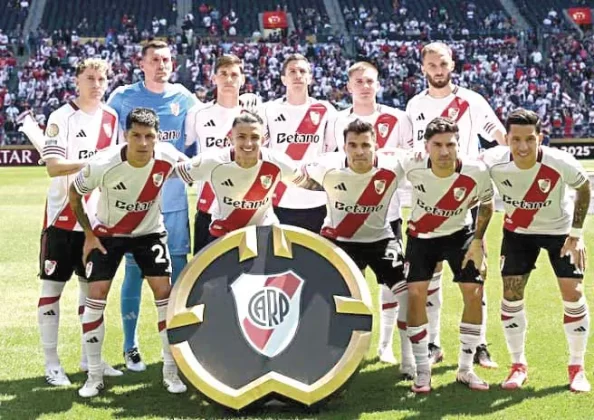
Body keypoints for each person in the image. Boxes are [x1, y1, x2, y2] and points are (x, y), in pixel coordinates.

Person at [69, 108, 187, 398]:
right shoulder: (103, 163)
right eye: (136, 135)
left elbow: (195, 170)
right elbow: (74, 192)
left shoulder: (168, 155)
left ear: (157, 137)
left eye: (149, 136)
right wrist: (88, 234)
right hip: (109, 234)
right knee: (96, 294)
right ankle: (94, 376)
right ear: (126, 135)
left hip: (149, 232)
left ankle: (170, 372)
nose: (143, 143)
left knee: (165, 294)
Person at [406, 42, 505, 368]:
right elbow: (411, 146)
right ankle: (433, 344)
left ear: (452, 65)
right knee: (430, 275)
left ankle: (479, 345)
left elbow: (497, 133)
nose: (438, 70)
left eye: (443, 64)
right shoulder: (414, 105)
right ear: (423, 67)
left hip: (468, 195)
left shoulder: (472, 100)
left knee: (475, 271)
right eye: (432, 65)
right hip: (430, 198)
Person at [480, 108, 591, 393]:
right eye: (515, 139)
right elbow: (460, 165)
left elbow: (584, 187)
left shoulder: (559, 161)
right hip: (518, 234)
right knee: (511, 295)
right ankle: (518, 365)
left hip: (560, 234)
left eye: (530, 139)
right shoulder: (492, 161)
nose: (523, 147)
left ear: (540, 138)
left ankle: (577, 367)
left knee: (573, 294)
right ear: (506, 139)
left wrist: (576, 235)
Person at [107, 40, 199, 371]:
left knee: (179, 272)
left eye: (166, 60)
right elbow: (109, 144)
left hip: (173, 202)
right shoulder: (122, 97)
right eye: (155, 60)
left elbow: (204, 135)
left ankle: (179, 345)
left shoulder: (185, 98)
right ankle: (130, 346)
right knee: (134, 271)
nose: (162, 65)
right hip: (137, 204)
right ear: (142, 64)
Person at [299, 119, 414, 378]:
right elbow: (296, 175)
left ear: (376, 145)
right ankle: (334, 358)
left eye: (365, 145)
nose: (359, 151)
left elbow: (426, 161)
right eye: (353, 145)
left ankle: (408, 362)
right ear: (344, 147)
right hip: (341, 242)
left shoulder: (394, 164)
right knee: (329, 299)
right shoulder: (327, 166)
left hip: (380, 240)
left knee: (406, 295)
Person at [35, 58, 121, 386]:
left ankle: (90, 359)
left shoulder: (112, 118)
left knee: (92, 294)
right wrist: (92, 163)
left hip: (95, 221)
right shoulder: (61, 116)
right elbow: (53, 167)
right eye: (90, 78)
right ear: (77, 81)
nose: (96, 84)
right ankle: (52, 364)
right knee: (52, 290)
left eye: (101, 79)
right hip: (61, 218)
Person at [329, 61, 413, 365]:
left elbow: (410, 158)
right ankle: (350, 346)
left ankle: (386, 345)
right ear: (349, 86)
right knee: (348, 285)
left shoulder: (398, 118)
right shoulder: (336, 120)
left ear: (378, 84)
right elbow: (331, 162)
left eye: (370, 81)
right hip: (346, 218)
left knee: (391, 285)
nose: (365, 86)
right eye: (359, 81)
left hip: (387, 216)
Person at [403, 117, 494, 393]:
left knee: (474, 292)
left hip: (459, 235)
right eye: (437, 145)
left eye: (450, 145)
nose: (444, 151)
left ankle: (465, 369)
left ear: (458, 145)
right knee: (415, 294)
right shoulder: (411, 164)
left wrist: (477, 241)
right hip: (421, 237)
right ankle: (422, 370)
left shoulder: (476, 170)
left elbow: (487, 203)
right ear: (426, 146)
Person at [177, 112, 300, 237]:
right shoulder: (213, 161)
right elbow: (175, 171)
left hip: (264, 233)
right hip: (223, 234)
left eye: (254, 137)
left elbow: (305, 182)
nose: (248, 143)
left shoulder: (278, 161)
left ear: (263, 140)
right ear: (231, 139)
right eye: (241, 137)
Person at [263, 53, 337, 233]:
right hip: (278, 199)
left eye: (302, 71)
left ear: (310, 78)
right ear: (283, 79)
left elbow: (330, 149)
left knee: (314, 251)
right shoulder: (268, 110)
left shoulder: (325, 110)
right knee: (278, 251)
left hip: (315, 200)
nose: (297, 75)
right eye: (292, 71)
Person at [184, 54, 246, 254]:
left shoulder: (255, 114)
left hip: (244, 208)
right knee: (203, 269)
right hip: (208, 207)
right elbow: (183, 146)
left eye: (234, 75)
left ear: (243, 79)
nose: (229, 79)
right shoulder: (198, 113)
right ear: (214, 78)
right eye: (223, 74)